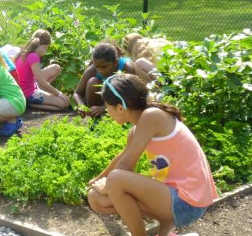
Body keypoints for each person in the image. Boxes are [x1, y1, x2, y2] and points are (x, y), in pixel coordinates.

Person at [87, 74, 218, 236]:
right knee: (96, 198)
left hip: (188, 202)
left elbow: (124, 168)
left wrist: (106, 186)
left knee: (115, 180)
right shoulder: (137, 129)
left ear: (120, 107)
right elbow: (123, 158)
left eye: (107, 106)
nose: (106, 111)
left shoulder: (152, 116)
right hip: (171, 197)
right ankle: (168, 228)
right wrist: (97, 180)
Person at [73, 42, 136, 117]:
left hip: (122, 102)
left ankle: (111, 114)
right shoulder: (93, 69)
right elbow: (77, 93)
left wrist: (104, 109)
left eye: (104, 67)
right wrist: (81, 106)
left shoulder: (127, 68)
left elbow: (132, 95)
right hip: (103, 100)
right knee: (92, 82)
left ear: (115, 62)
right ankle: (94, 116)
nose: (100, 71)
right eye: (97, 67)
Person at [15, 29, 70, 111]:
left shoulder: (24, 52)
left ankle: (38, 98)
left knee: (56, 68)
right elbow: (41, 82)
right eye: (46, 48)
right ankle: (30, 104)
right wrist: (59, 93)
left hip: (26, 87)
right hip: (28, 93)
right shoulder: (33, 56)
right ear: (41, 46)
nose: (46, 51)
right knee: (63, 103)